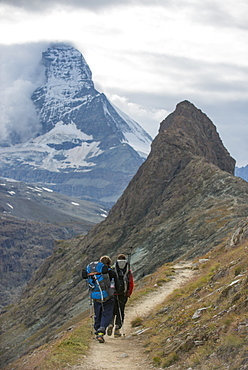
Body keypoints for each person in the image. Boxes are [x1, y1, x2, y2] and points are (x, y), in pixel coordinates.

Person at [83, 255, 120, 343]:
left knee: (98, 314)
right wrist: (115, 292)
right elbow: (117, 284)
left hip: (96, 296)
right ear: (109, 263)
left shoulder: (93, 272)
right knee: (106, 313)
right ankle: (101, 330)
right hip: (108, 296)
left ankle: (98, 332)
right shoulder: (111, 272)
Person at [107, 254, 134, 337]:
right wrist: (128, 293)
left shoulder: (112, 269)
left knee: (112, 309)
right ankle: (117, 329)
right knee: (120, 311)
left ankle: (110, 323)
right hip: (123, 294)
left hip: (113, 294)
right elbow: (131, 283)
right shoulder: (127, 270)